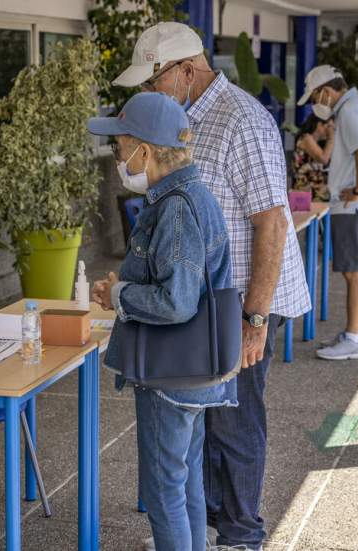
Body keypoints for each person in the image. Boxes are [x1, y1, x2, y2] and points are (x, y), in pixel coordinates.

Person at [112, 22, 311, 551]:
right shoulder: (181, 120)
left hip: (241, 302)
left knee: (235, 424)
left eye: (153, 82)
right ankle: (200, 531)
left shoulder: (241, 119)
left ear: (185, 70)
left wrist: (255, 319)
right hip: (204, 305)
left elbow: (271, 221)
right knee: (203, 428)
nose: (148, 94)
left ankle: (243, 536)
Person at [88, 92, 236, 551]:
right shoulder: (192, 194)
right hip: (194, 372)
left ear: (145, 151)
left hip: (171, 374)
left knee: (163, 490)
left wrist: (118, 295)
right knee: (184, 480)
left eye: (120, 147)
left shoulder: (174, 206)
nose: (118, 158)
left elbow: (176, 302)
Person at [298, 65, 358, 361]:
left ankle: (353, 337)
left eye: (314, 98)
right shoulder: (356, 107)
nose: (314, 104)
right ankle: (354, 333)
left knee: (355, 271)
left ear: (326, 91)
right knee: (354, 271)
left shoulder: (348, 112)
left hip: (355, 205)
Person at [292, 114, 334, 202]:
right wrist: (331, 138)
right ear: (319, 125)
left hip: (315, 191)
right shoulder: (306, 138)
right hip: (304, 190)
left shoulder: (316, 142)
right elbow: (323, 159)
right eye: (328, 127)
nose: (330, 131)